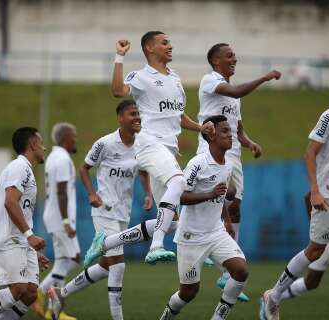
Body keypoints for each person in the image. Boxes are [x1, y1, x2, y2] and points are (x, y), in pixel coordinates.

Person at [260, 73, 329, 320]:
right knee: (315, 250)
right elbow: (309, 154)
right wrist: (315, 192)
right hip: (327, 194)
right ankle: (274, 295)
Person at [111, 30, 214, 264]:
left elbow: (177, 116)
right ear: (150, 48)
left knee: (172, 221)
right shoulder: (141, 76)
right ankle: (155, 247)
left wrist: (201, 128)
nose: (170, 46)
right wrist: (119, 56)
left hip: (167, 149)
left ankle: (107, 242)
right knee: (179, 182)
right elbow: (118, 91)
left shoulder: (175, 78)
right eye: (164, 43)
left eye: (170, 43)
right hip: (148, 143)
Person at [48, 100, 153, 320]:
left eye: (138, 114)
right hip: (104, 210)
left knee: (105, 266)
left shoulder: (141, 144)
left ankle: (60, 292)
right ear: (120, 118)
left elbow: (143, 170)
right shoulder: (104, 143)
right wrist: (92, 194)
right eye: (132, 114)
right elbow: (84, 168)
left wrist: (148, 193)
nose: (137, 118)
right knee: (119, 266)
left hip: (122, 213)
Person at [197, 43, 281, 290]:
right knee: (224, 200)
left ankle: (226, 269)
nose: (235, 58)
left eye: (234, 55)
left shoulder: (234, 99)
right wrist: (264, 78)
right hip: (212, 151)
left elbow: (237, 129)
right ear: (216, 62)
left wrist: (249, 142)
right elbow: (235, 92)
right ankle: (211, 251)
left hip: (233, 156)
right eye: (229, 56)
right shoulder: (210, 81)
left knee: (235, 211)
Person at [158, 115, 248, 320]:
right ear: (211, 135)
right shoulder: (197, 164)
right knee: (188, 293)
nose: (230, 135)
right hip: (191, 237)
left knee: (241, 271)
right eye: (225, 131)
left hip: (216, 232)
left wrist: (226, 219)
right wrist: (209, 194)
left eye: (230, 131)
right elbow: (179, 196)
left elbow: (224, 194)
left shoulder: (228, 164)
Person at [0, 127, 49, 320]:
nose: (44, 148)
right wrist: (30, 236)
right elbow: (10, 202)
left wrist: (29, 248)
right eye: (41, 143)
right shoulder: (19, 167)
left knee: (30, 293)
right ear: (32, 145)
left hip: (20, 241)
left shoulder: (26, 170)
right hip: (8, 239)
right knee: (19, 288)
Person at [34, 123, 80, 320]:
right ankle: (44, 296)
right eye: (74, 136)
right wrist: (66, 220)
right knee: (73, 258)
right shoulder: (62, 159)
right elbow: (62, 191)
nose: (76, 140)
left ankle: (52, 309)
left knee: (65, 261)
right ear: (66, 139)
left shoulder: (54, 157)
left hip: (55, 216)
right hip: (60, 219)